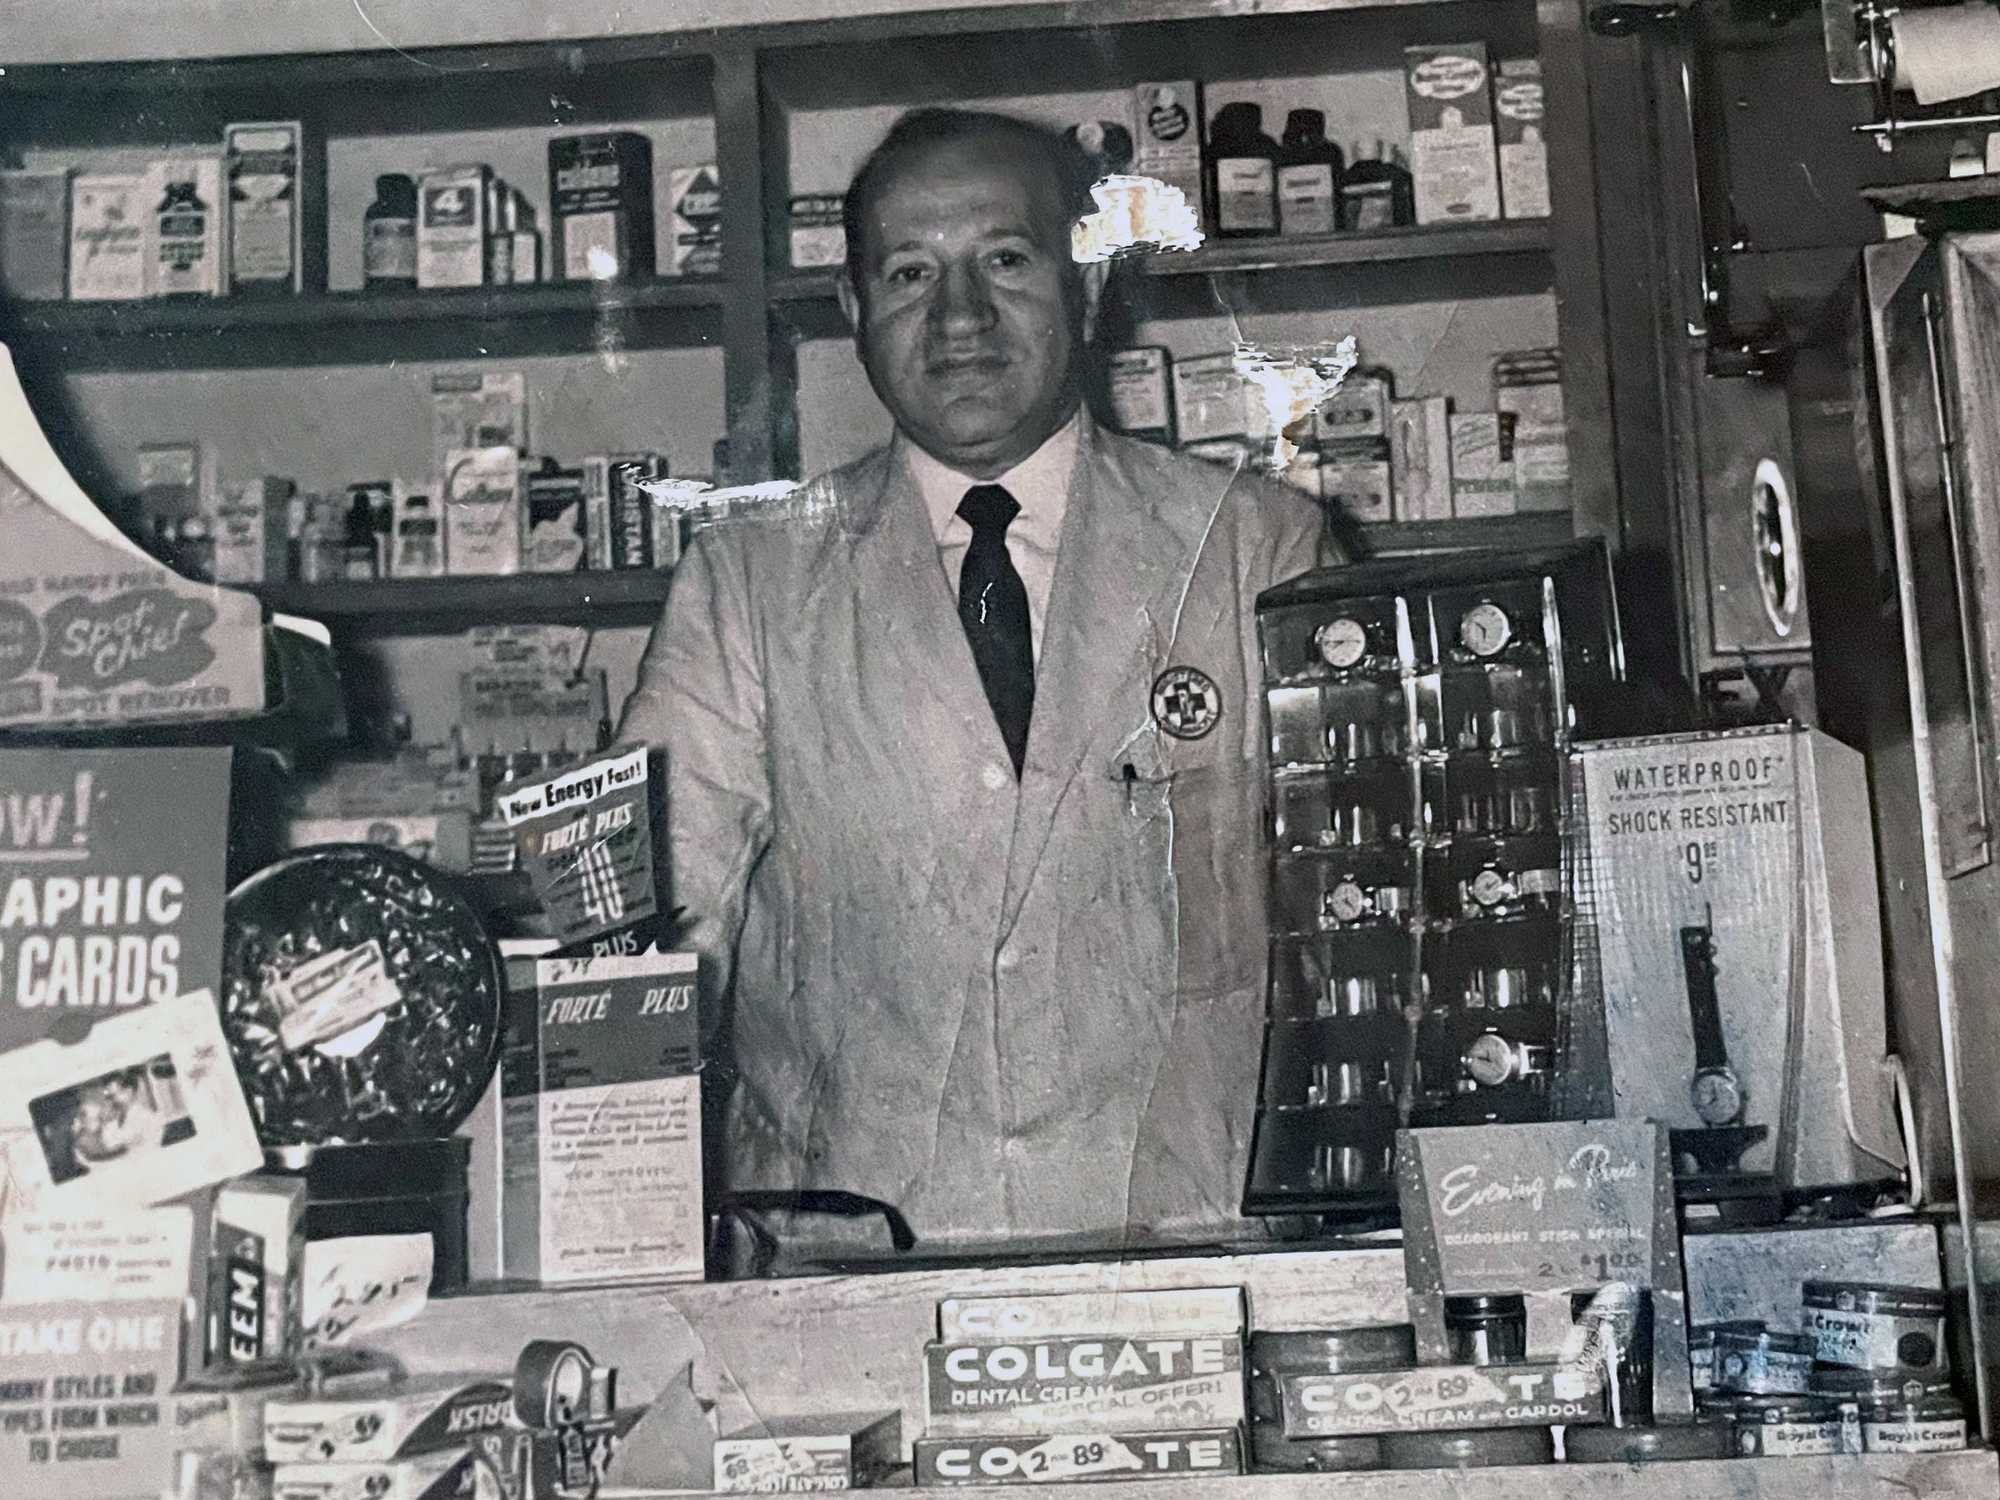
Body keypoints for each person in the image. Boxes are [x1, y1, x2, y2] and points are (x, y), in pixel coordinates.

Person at [620, 107, 1335, 1253]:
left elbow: (1350, 920)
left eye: (1003, 261)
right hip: (854, 1259)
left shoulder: (1258, 546)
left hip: (1191, 1247)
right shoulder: (747, 577)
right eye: (909, 273)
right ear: (853, 311)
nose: (958, 317)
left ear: (1087, 286)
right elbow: (654, 934)